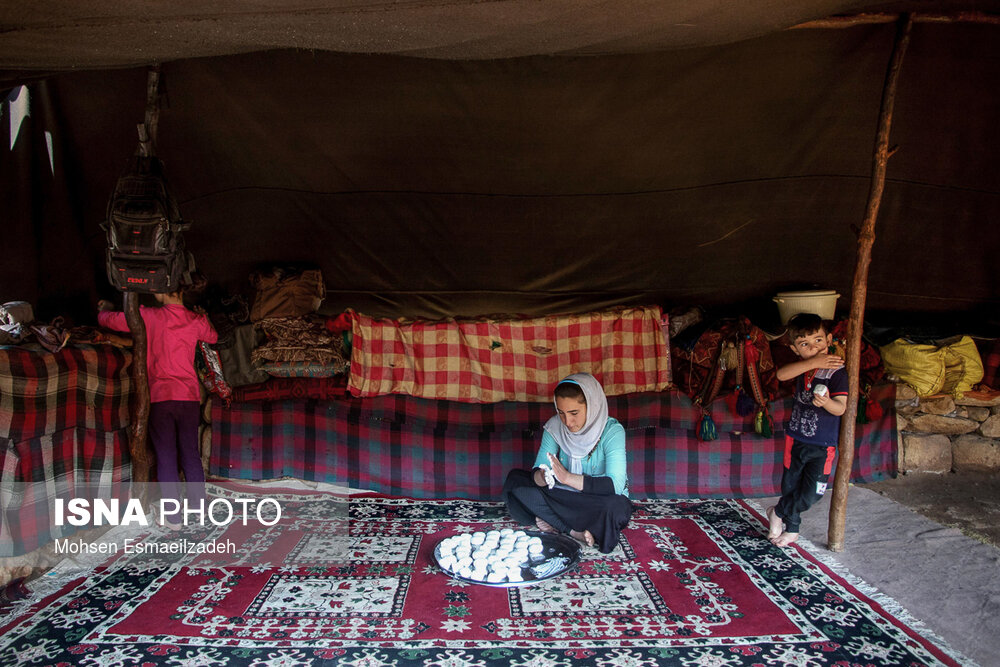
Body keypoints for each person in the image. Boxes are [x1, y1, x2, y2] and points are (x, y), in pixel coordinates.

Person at [98, 288, 217, 529]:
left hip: (161, 399)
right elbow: (213, 337)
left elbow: (113, 321)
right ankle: (200, 510)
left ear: (168, 290)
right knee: (191, 454)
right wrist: (203, 317)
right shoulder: (195, 321)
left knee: (166, 457)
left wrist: (102, 311)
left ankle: (173, 518)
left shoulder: (149, 316)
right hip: (189, 398)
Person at [502, 372, 632, 553]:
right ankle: (574, 531)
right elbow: (536, 471)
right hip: (563, 497)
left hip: (598, 501)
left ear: (592, 406)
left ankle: (552, 519)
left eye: (574, 413)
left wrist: (568, 478)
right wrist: (543, 476)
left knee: (616, 507)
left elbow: (616, 486)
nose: (568, 422)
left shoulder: (612, 431)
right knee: (516, 481)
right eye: (561, 413)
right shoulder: (555, 426)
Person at [767, 313, 847, 547]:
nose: (814, 348)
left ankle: (778, 512)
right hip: (796, 439)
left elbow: (840, 409)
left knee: (812, 493)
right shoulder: (805, 367)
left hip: (823, 446)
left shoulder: (837, 371)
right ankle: (792, 530)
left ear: (829, 339)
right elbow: (781, 375)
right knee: (790, 486)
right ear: (794, 348)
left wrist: (827, 403)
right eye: (805, 344)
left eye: (818, 341)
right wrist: (813, 362)